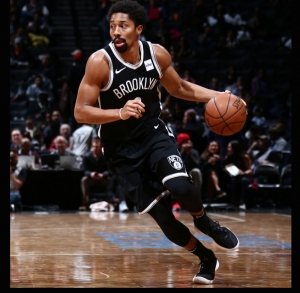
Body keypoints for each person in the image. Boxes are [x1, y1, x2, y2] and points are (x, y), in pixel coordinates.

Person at [74, 0, 241, 284]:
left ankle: (203, 220)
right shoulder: (99, 62)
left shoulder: (157, 55)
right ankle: (206, 257)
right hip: (120, 151)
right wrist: (119, 112)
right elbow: (80, 111)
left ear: (139, 29)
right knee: (164, 217)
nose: (116, 31)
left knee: (179, 186)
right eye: (112, 26)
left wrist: (218, 96)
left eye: (123, 26)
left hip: (153, 134)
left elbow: (180, 88)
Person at [79, 138, 112, 211]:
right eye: (94, 147)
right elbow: (84, 169)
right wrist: (90, 174)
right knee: (84, 180)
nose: (95, 148)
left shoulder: (105, 156)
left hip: (103, 178)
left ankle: (109, 201)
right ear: (92, 147)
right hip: (91, 179)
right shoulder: (86, 156)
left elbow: (110, 170)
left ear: (100, 148)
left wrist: (103, 175)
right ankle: (85, 203)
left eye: (97, 147)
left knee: (110, 180)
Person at [223, 140, 252, 210]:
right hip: (233, 176)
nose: (228, 149)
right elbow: (226, 167)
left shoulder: (245, 157)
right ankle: (234, 202)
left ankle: (243, 202)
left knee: (244, 181)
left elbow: (250, 170)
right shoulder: (228, 157)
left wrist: (243, 173)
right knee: (233, 180)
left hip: (244, 176)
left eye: (230, 147)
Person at [10, 147, 27, 212]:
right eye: (11, 157)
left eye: (14, 157)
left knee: (15, 196)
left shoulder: (21, 170)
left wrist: (10, 173)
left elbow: (18, 186)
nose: (12, 159)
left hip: (14, 193)